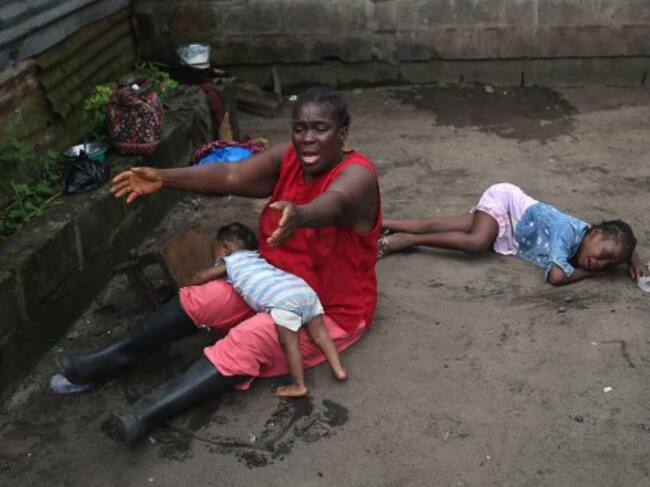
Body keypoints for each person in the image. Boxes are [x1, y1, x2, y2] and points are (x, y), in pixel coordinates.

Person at [55, 87, 380, 444]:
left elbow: (334, 203)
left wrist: (299, 214)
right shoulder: (289, 158)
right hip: (272, 281)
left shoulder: (358, 176)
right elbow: (231, 176)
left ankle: (142, 415)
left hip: (327, 308)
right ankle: (105, 363)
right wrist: (164, 177)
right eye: (300, 128)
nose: (308, 139)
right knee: (202, 297)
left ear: (343, 134)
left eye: (320, 129)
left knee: (249, 337)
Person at [186, 221, 347, 397]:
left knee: (290, 343)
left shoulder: (230, 261)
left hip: (283, 301)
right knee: (321, 335)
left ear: (225, 248)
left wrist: (188, 285)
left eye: (215, 253)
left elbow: (201, 275)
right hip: (303, 290)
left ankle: (299, 385)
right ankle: (339, 370)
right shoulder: (258, 257)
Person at [379, 182, 646, 286]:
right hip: (505, 203)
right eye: (604, 256)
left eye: (609, 263)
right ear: (595, 232)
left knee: (440, 225)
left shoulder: (592, 238)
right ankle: (409, 240)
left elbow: (621, 243)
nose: (601, 263)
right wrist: (598, 272)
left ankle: (383, 222)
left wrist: (632, 260)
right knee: (476, 242)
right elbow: (556, 276)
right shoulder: (567, 231)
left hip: (507, 228)